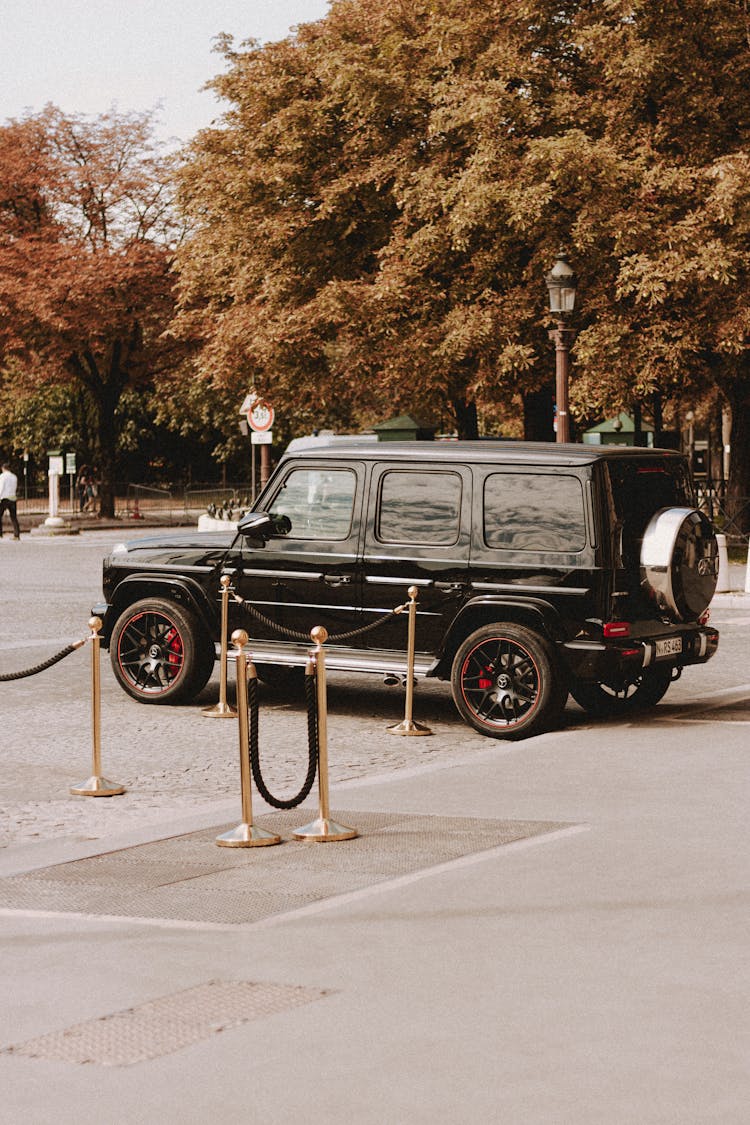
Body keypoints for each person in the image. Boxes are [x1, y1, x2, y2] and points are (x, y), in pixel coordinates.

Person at [0, 460, 21, 539]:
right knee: (13, 517)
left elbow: (1, 488)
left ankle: (0, 533)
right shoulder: (14, 476)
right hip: (12, 498)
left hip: (4, 498)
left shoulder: (2, 476)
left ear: (3, 468)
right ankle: (16, 534)